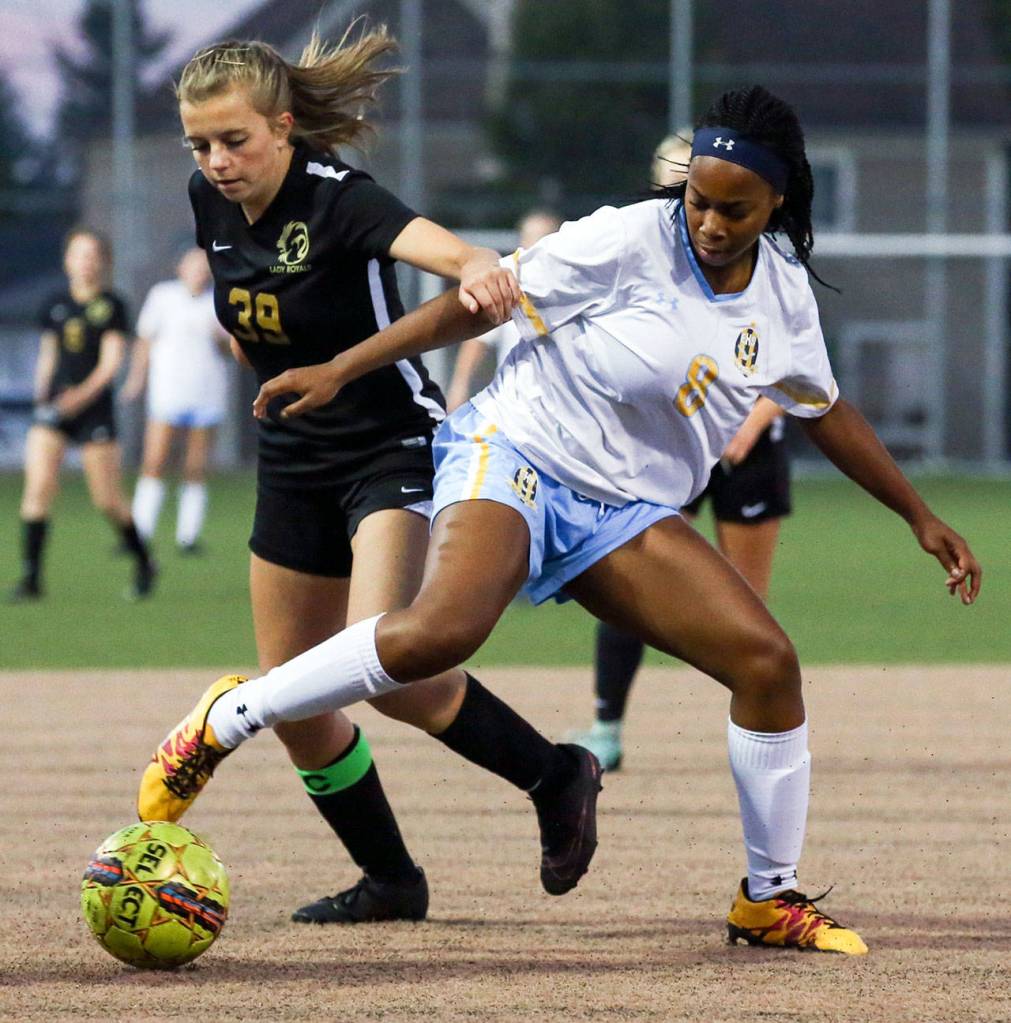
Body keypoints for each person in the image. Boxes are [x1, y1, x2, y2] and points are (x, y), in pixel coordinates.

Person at [142, 84, 982, 954]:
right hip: (517, 450)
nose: (709, 221)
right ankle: (229, 718)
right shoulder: (626, 237)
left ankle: (767, 898)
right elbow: (478, 302)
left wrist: (917, 515)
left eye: (735, 208)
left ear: (778, 202)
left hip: (621, 508)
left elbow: (823, 407)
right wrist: (342, 368)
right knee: (438, 634)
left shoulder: (782, 298)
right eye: (697, 198)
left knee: (766, 664)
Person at [135, 28, 601, 926]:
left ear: (281, 127)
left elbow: (456, 256)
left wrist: (476, 267)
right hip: (291, 458)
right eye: (200, 144)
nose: (217, 161)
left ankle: (556, 773)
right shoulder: (209, 199)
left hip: (387, 447)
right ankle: (391, 878)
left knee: (381, 667)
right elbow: (247, 315)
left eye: (234, 140)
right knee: (299, 700)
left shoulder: (340, 200)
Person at [570, 132, 793, 772]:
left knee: (746, 605)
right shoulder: (640, 252)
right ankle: (606, 728)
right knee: (632, 592)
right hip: (670, 452)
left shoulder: (762, 265)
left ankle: (755, 732)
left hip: (746, 451)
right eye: (686, 194)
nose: (705, 215)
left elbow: (798, 367)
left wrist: (749, 424)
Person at [9, 227, 156, 602]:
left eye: (92, 255)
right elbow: (49, 355)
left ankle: (143, 562)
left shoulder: (112, 305)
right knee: (38, 489)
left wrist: (78, 398)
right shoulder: (55, 303)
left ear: (103, 262)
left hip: (93, 411)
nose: (84, 262)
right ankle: (31, 579)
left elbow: (110, 365)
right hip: (55, 408)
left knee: (107, 499)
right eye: (78, 255)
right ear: (66, 260)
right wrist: (44, 394)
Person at [122, 247, 230, 554]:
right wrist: (136, 379)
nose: (198, 271)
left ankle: (188, 536)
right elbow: (145, 340)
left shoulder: (217, 302)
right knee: (154, 461)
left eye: (203, 266)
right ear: (179, 267)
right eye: (193, 265)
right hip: (168, 392)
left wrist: (220, 338)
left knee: (195, 466)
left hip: (206, 393)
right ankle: (138, 533)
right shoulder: (162, 297)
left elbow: (229, 351)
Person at [444, 209, 561, 412]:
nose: (532, 245)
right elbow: (479, 341)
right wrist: (459, 385)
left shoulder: (572, 288)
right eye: (529, 237)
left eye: (541, 238)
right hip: (515, 405)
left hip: (561, 404)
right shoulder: (508, 285)